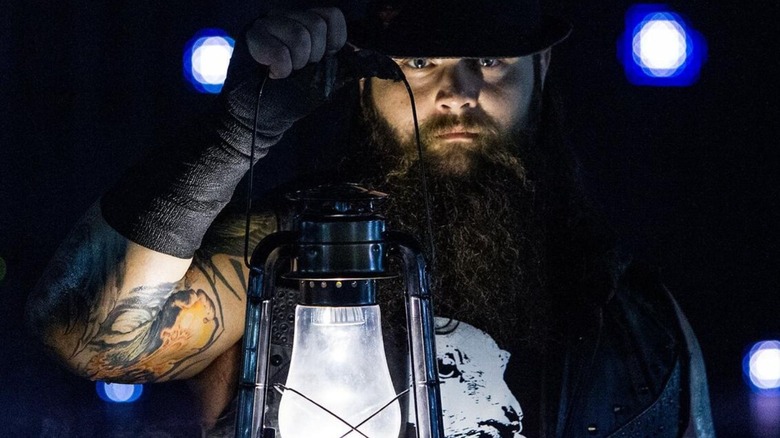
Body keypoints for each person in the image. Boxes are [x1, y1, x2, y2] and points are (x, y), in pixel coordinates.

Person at [26, 1, 715, 436]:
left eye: (490, 60)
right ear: (363, 77)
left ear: (542, 68)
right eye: (421, 60)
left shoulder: (634, 317)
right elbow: (87, 334)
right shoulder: (280, 259)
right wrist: (234, 136)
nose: (459, 92)